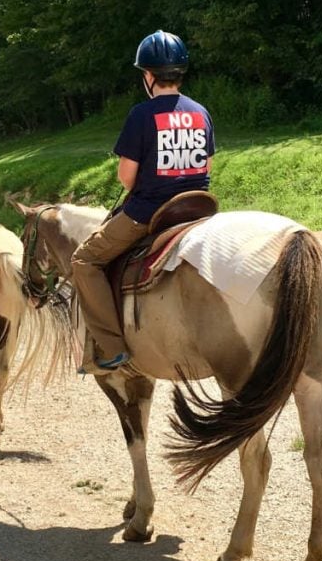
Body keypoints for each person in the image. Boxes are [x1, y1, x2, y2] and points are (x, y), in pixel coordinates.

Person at [71, 30, 215, 373]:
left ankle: (112, 348)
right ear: (179, 73)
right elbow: (206, 165)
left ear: (148, 76)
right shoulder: (200, 112)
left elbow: (126, 178)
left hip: (150, 212)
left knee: (84, 261)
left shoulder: (141, 115)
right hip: (198, 207)